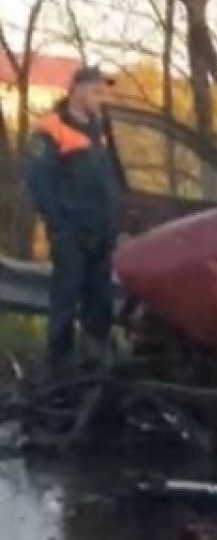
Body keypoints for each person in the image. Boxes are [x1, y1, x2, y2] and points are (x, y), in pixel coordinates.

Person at [23, 66, 125, 380]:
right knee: (65, 300)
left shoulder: (99, 131)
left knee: (100, 300)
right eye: (96, 91)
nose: (101, 97)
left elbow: (110, 181)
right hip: (71, 232)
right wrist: (60, 226)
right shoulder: (50, 129)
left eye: (102, 92)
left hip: (101, 231)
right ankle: (58, 371)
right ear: (77, 89)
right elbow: (40, 183)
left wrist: (116, 221)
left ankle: (93, 367)